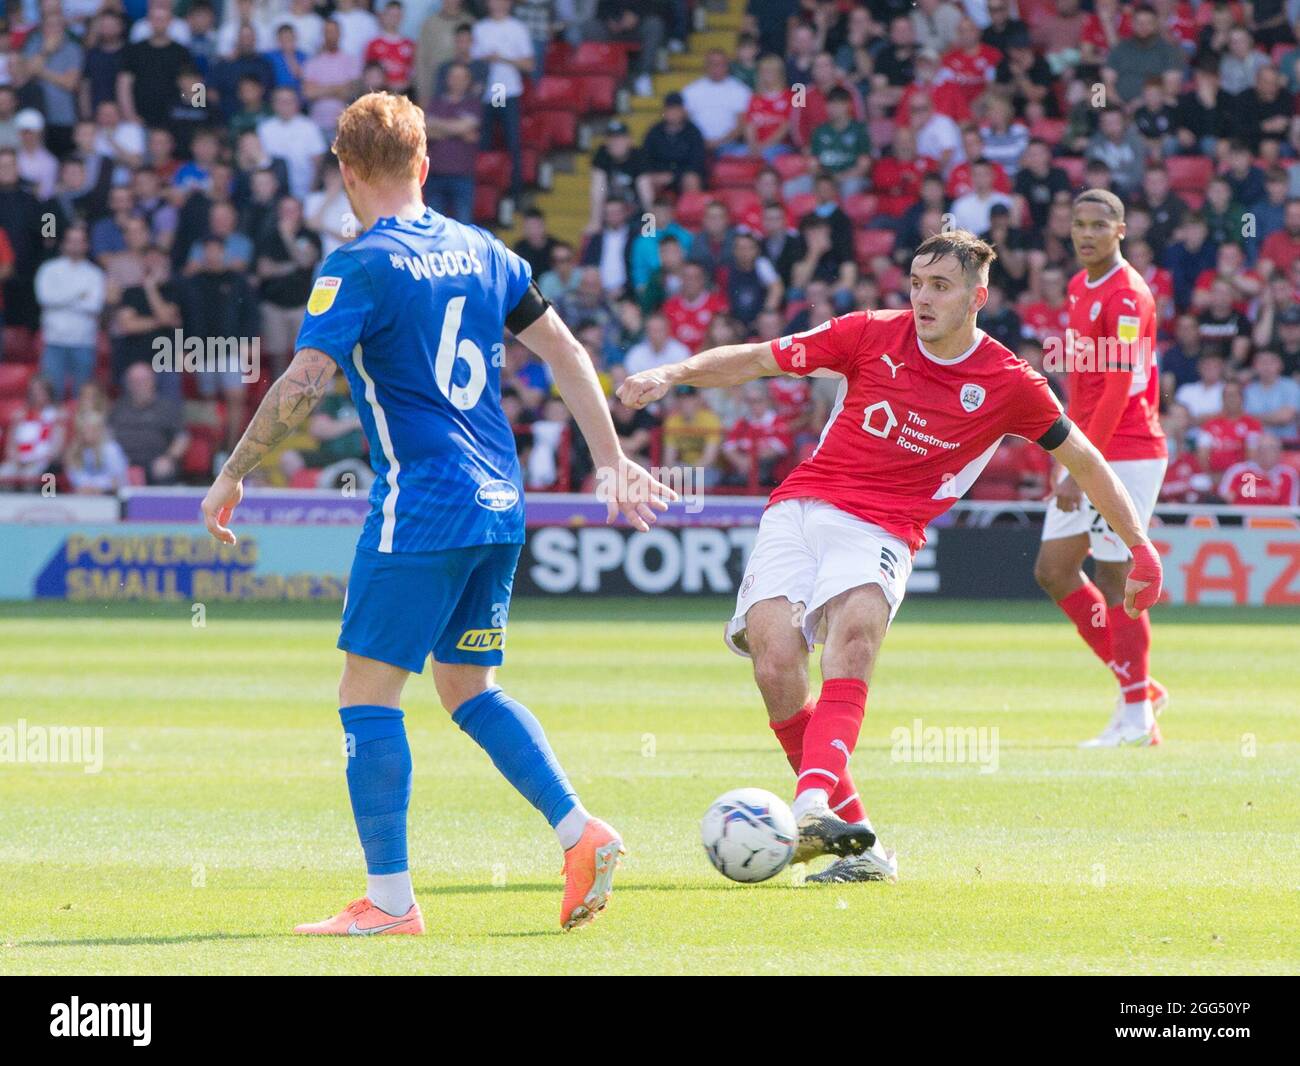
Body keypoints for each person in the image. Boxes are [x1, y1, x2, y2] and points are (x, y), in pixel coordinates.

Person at [199, 92, 674, 935]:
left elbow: (306, 380)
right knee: (467, 686)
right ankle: (580, 831)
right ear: (423, 165)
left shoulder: (359, 264)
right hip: (499, 501)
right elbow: (563, 348)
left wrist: (234, 471)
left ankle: (389, 904)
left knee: (366, 694)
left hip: (422, 503)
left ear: (347, 174)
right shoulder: (484, 250)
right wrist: (612, 460)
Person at [617, 229, 1165, 882]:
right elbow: (761, 358)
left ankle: (813, 804)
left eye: (940, 286)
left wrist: (1139, 546)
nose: (922, 298)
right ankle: (864, 848)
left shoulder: (1010, 383)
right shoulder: (869, 333)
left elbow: (1086, 460)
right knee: (774, 662)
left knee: (854, 635)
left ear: (976, 297)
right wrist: (673, 373)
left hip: (882, 529)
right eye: (915, 283)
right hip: (801, 505)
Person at [1033, 190, 1169, 749]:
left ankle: (1136, 716)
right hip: (1090, 449)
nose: (1085, 234)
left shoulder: (1127, 297)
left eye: (1098, 225)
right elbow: (1082, 383)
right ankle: (1137, 684)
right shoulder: (1077, 287)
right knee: (1054, 569)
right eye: (1078, 224)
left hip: (1129, 451)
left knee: (1116, 578)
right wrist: (1067, 451)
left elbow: (1117, 391)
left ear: (1121, 231)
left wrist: (1079, 468)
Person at [35, 223, 106, 402]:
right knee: (50, 396)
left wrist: (61, 298)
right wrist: (79, 295)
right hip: (54, 341)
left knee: (83, 398)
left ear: (86, 245)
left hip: (84, 342)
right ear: (64, 244)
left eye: (79, 241)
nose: (75, 245)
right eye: (71, 241)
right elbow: (46, 299)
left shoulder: (96, 274)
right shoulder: (48, 269)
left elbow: (94, 306)